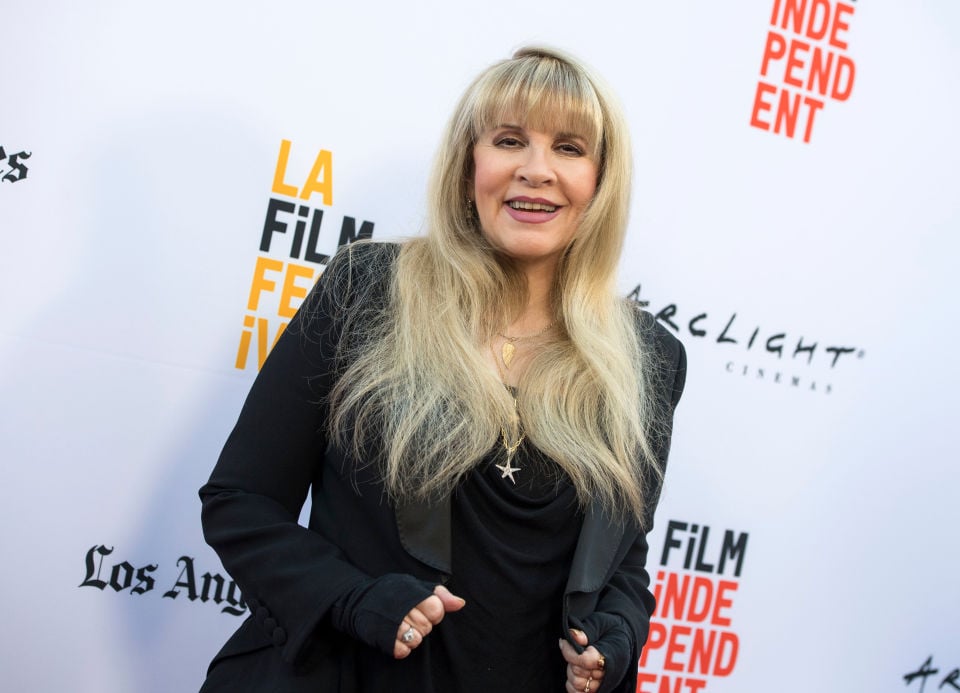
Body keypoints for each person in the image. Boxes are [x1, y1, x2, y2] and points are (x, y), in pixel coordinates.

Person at [198, 46, 686, 693]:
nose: (537, 170)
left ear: (601, 179)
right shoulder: (367, 290)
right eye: (510, 140)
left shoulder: (648, 357)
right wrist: (351, 597)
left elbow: (621, 558)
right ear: (468, 165)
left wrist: (615, 636)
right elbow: (242, 501)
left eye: (569, 147)